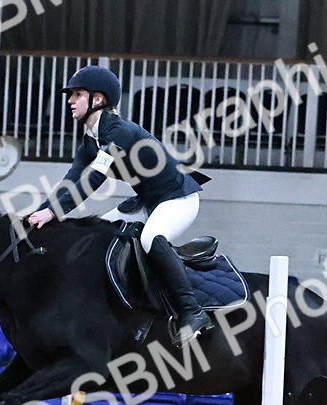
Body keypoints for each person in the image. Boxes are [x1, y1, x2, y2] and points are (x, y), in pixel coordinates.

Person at [26, 65, 213, 346]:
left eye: (77, 95)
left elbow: (94, 180)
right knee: (101, 232)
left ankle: (193, 312)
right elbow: (71, 180)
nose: (70, 101)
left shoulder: (118, 132)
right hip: (147, 201)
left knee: (151, 238)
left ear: (98, 100)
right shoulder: (91, 141)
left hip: (178, 199)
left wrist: (53, 212)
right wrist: (40, 213)